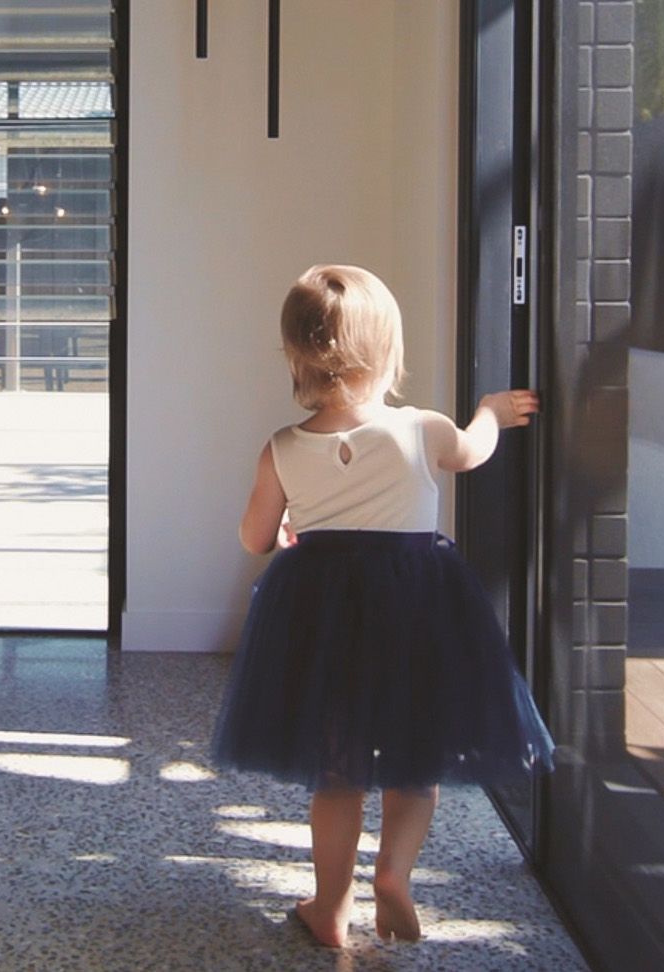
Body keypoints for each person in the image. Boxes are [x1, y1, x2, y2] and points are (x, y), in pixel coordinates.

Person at [212, 264, 555, 948]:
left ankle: (330, 909)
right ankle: (393, 875)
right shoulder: (423, 430)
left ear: (295, 355)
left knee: (337, 773)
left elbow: (255, 536)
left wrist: (283, 528)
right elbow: (474, 449)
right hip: (417, 609)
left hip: (321, 616)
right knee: (414, 758)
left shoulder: (282, 447)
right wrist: (491, 410)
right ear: (389, 350)